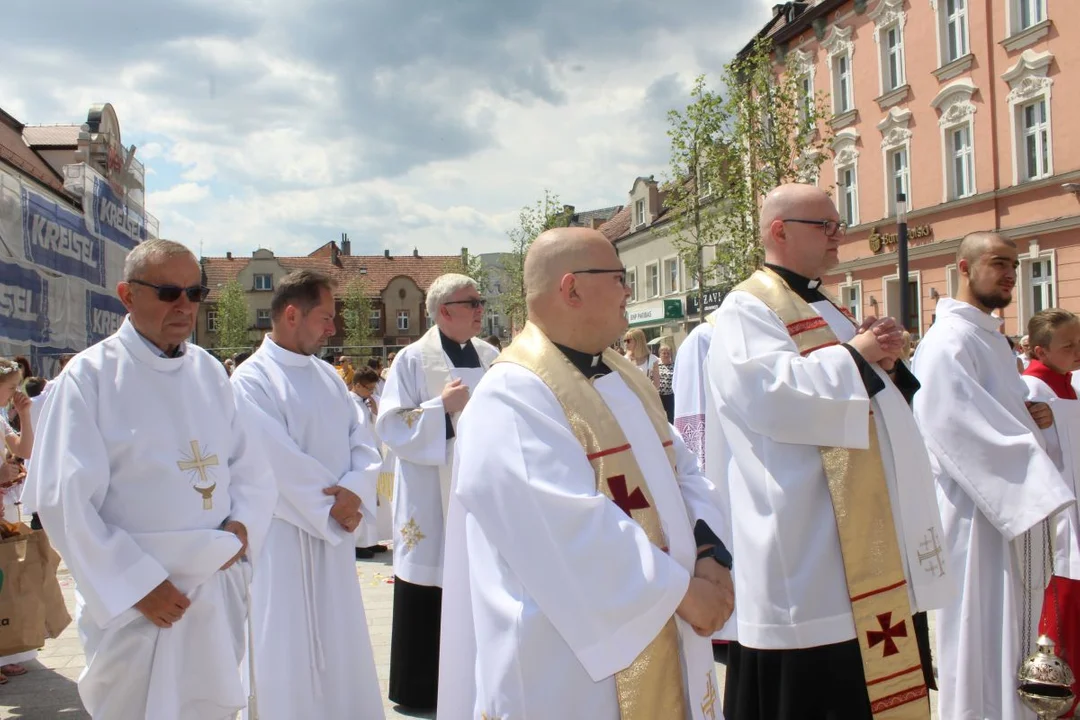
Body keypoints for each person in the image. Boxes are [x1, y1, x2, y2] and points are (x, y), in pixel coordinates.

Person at [439, 226, 733, 718]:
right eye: (618, 277)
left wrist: (709, 555)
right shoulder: (512, 394)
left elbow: (685, 470)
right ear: (571, 288)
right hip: (567, 666)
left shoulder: (624, 377)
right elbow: (562, 528)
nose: (628, 291)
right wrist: (684, 593)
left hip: (675, 615)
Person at [707, 183, 951, 719]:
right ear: (780, 231)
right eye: (827, 226)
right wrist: (858, 357)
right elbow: (770, 396)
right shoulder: (747, 307)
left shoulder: (823, 305)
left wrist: (879, 357)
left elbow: (863, 390)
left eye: (838, 224)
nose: (840, 236)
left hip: (861, 534)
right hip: (807, 541)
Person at [28, 238, 277, 720]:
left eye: (193, 292)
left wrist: (244, 526)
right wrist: (137, 585)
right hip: (138, 604)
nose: (184, 305)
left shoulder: (210, 373)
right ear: (127, 295)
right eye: (167, 292)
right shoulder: (90, 378)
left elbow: (251, 467)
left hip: (211, 590)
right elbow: (64, 500)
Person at [912, 231, 1075, 720]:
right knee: (978, 632)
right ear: (964, 268)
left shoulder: (990, 339)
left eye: (1015, 266)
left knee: (1011, 635)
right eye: (998, 263)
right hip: (975, 516)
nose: (1009, 274)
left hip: (1005, 512)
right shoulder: (948, 342)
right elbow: (951, 425)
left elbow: (1003, 418)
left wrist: (1037, 424)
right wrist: (1032, 465)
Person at [230, 270, 385, 720]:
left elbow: (363, 438)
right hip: (283, 538)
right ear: (292, 314)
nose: (332, 328)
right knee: (286, 645)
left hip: (331, 535)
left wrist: (355, 492)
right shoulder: (250, 380)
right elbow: (272, 457)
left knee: (340, 643)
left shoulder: (327, 376)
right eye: (326, 317)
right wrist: (333, 506)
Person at [376, 273, 499, 711]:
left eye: (481, 301)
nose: (481, 309)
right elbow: (390, 425)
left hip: (479, 490)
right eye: (474, 302)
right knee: (429, 583)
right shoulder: (412, 359)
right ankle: (420, 688)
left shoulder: (491, 356)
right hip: (431, 494)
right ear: (445, 311)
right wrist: (440, 410)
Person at [1019, 308, 1080, 717]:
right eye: (1069, 345)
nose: (1078, 350)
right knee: (1062, 600)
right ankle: (1056, 688)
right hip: (1058, 515)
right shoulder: (1033, 388)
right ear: (1041, 349)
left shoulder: (1066, 384)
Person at [350, 367, 392, 558]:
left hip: (375, 454)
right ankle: (359, 543)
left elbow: (381, 423)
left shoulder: (372, 400)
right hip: (358, 458)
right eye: (368, 388)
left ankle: (372, 539)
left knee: (377, 501)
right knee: (363, 500)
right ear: (357, 385)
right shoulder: (348, 403)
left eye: (373, 389)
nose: (371, 392)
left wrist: (377, 412)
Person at [657, 343, 675, 423]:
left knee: (671, 416)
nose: (666, 355)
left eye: (668, 353)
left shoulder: (674, 365)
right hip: (658, 395)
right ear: (660, 354)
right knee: (660, 417)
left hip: (671, 395)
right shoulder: (656, 365)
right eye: (664, 353)